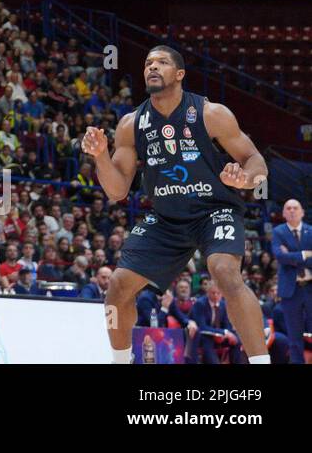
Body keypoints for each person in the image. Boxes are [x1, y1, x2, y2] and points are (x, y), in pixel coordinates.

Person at [82, 45, 271, 363]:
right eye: (148, 63)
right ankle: (119, 361)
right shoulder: (131, 124)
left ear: (179, 74)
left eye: (162, 62)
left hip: (213, 210)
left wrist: (246, 179)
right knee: (118, 285)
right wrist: (100, 156)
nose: (152, 67)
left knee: (224, 271)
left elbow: (255, 161)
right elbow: (117, 191)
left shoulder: (211, 114)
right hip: (167, 217)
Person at [272, 197, 312, 364]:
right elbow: (280, 256)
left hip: (310, 288)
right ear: (283, 213)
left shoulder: (311, 230)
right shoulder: (278, 232)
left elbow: (286, 257)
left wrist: (291, 256)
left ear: (302, 212)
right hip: (291, 291)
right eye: (288, 208)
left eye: (295, 208)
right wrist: (305, 254)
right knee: (294, 338)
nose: (292, 211)